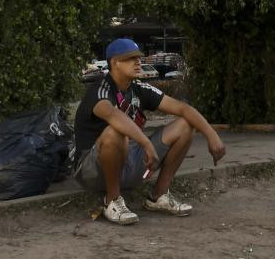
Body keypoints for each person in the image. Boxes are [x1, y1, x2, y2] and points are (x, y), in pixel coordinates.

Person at [73, 38, 226, 225]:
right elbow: (114, 116)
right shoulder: (100, 90)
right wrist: (146, 143)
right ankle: (112, 201)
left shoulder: (138, 88)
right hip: (92, 171)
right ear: (114, 62)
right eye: (131, 58)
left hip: (128, 163)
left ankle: (158, 196)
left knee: (185, 125)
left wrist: (211, 135)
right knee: (115, 132)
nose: (138, 62)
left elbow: (183, 109)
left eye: (139, 58)